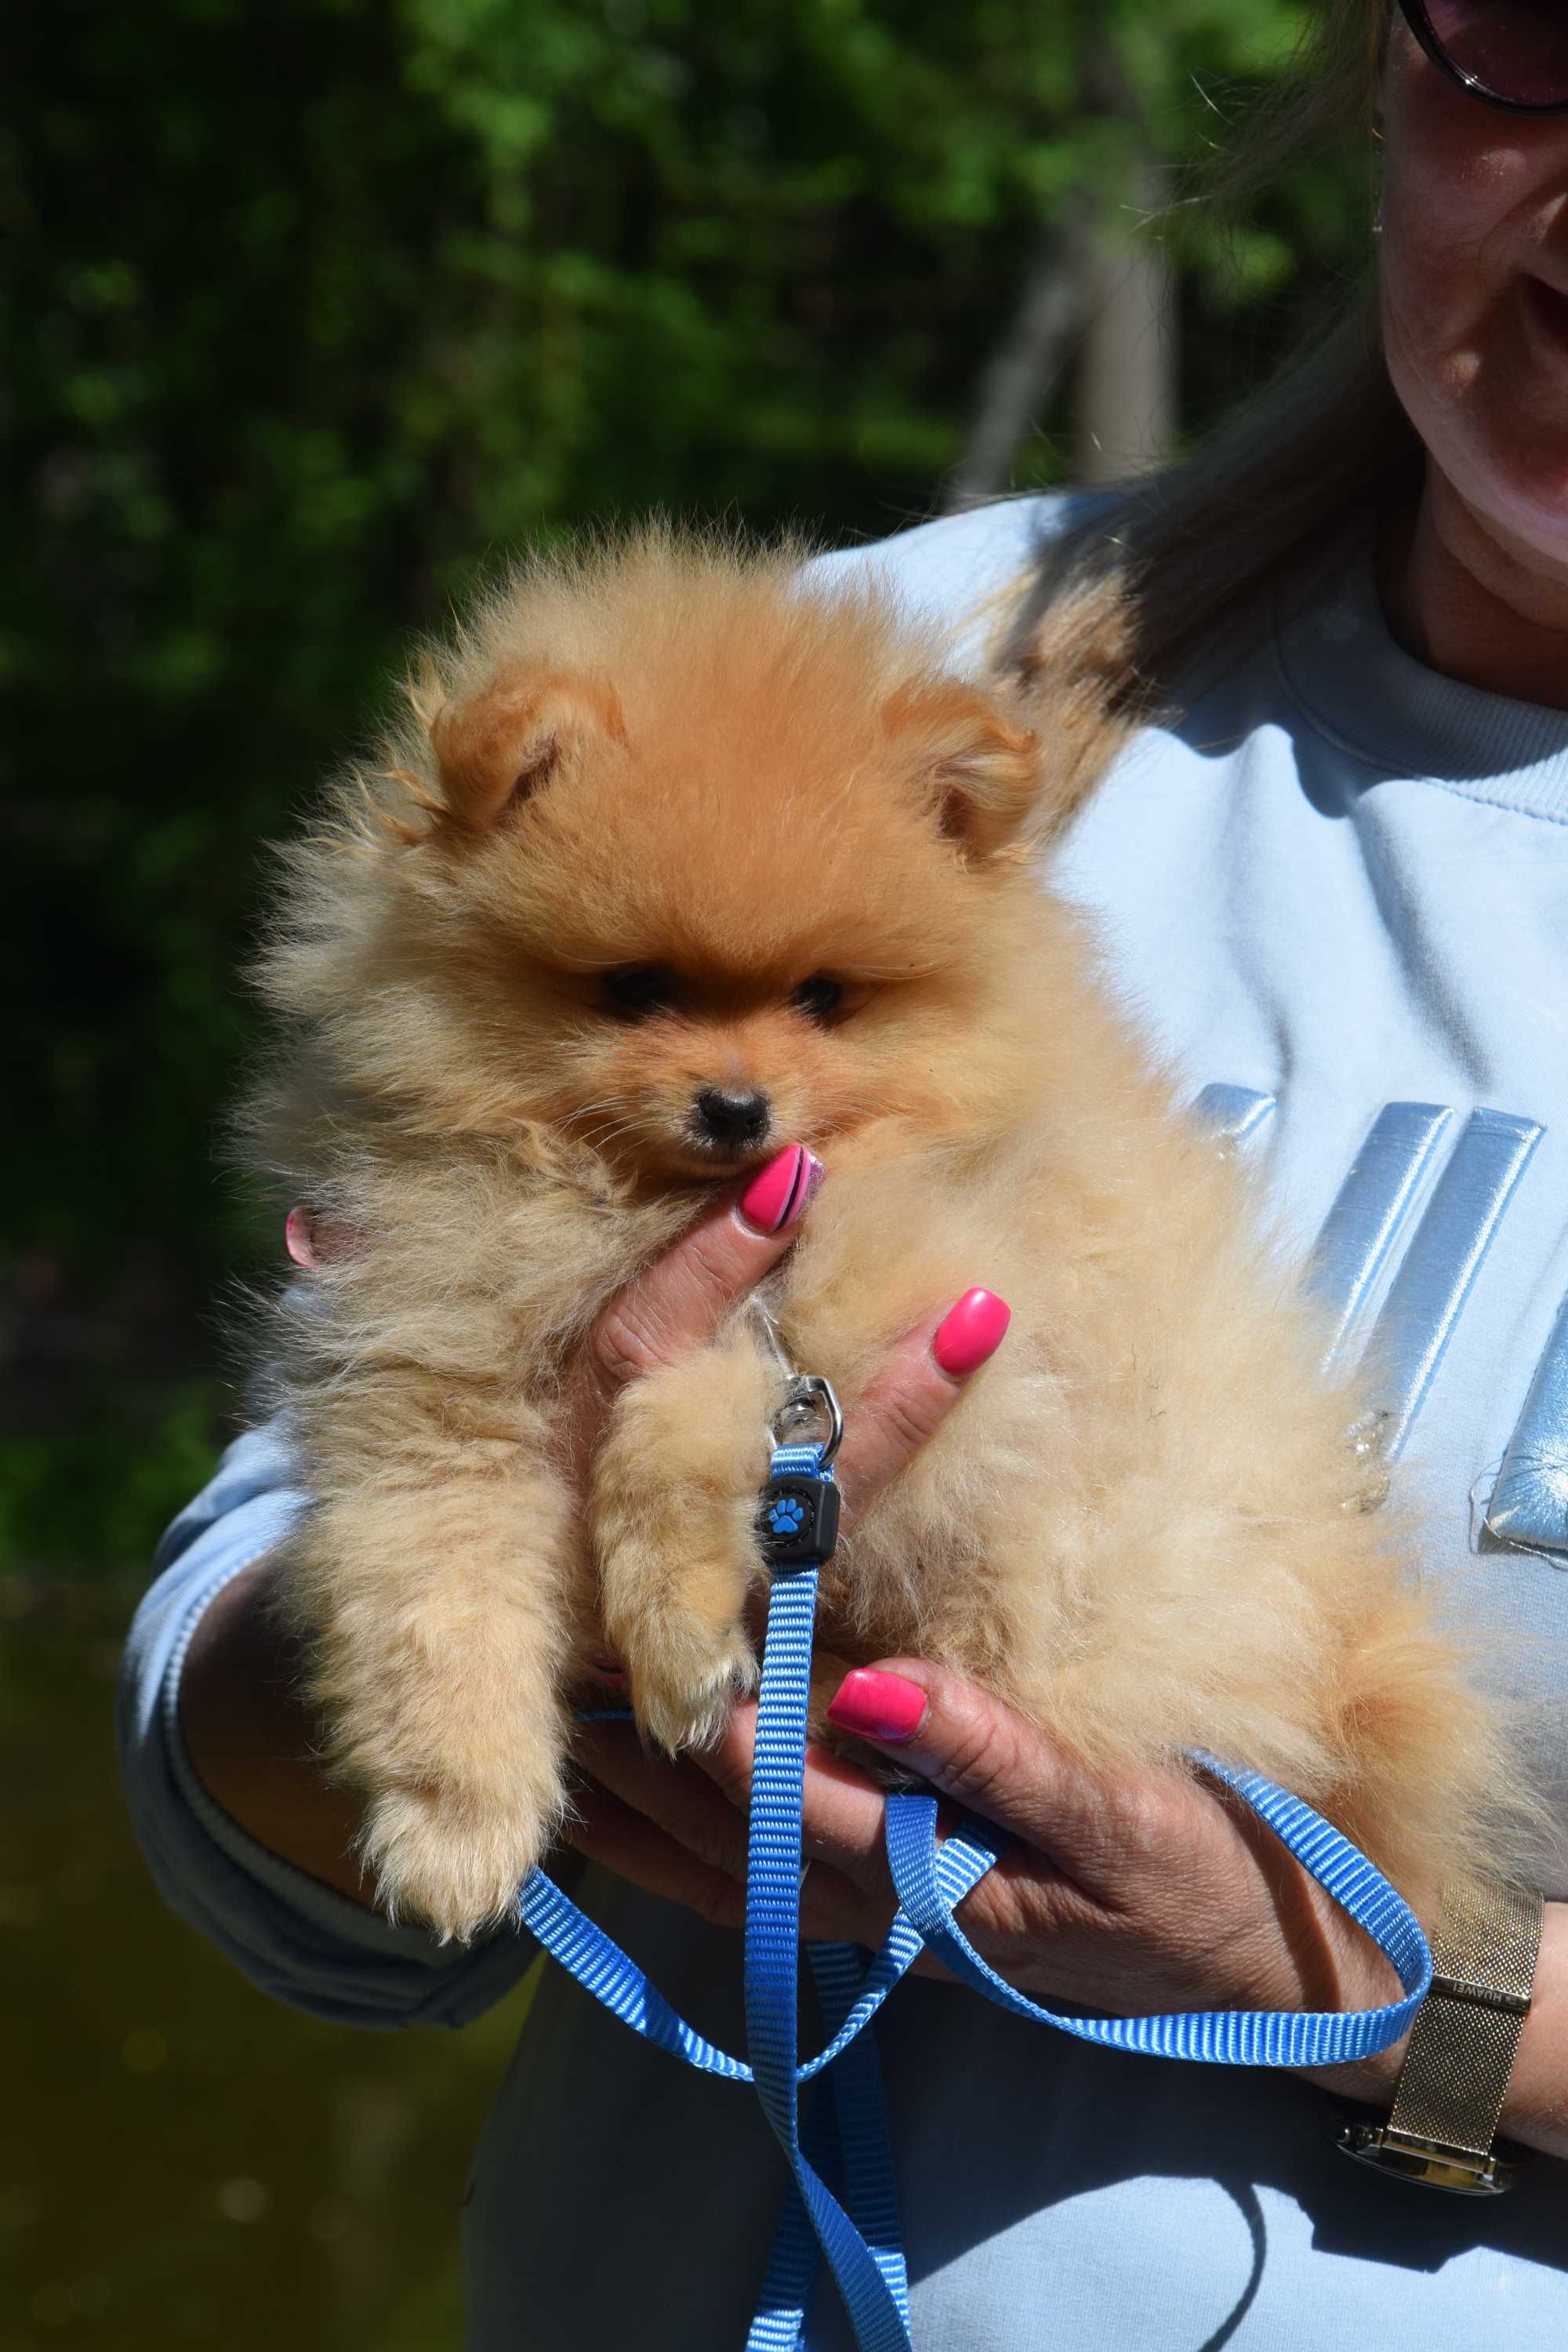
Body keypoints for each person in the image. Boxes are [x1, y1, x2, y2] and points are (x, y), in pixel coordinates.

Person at [120, 0, 1568, 2340]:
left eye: (811, 1010)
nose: (733, 1074)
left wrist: (1373, 1977)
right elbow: (249, 1765)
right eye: (1535, 35)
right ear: (1381, 68)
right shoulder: (890, 671)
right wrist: (487, 1610)